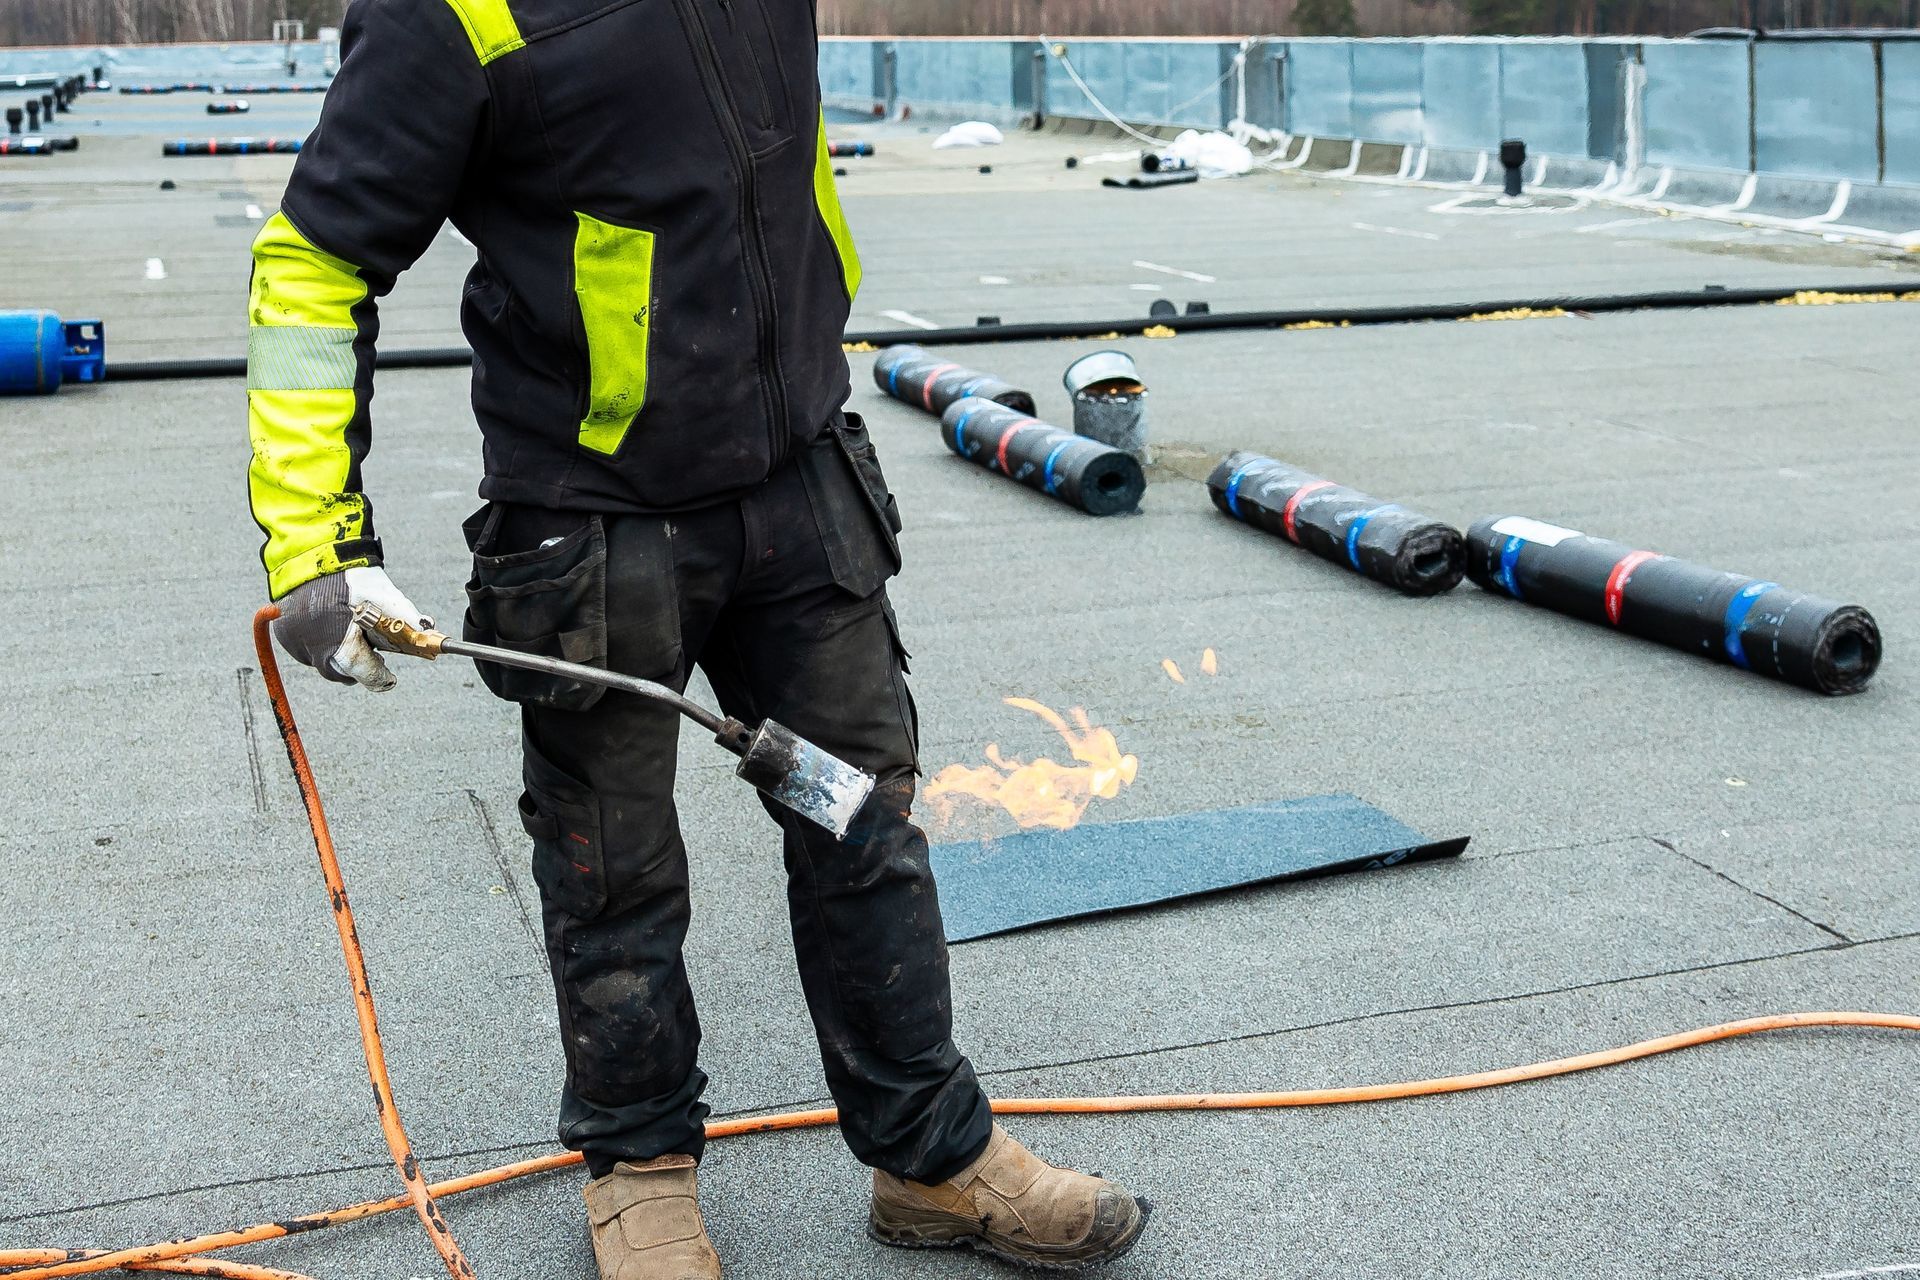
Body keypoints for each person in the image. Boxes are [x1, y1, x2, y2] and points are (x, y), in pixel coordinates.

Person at [245, 1, 1148, 1275]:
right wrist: (315, 539)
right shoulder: (449, 12)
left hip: (799, 480)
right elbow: (313, 262)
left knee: (865, 823)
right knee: (611, 868)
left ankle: (930, 1156)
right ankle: (641, 1176)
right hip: (594, 519)